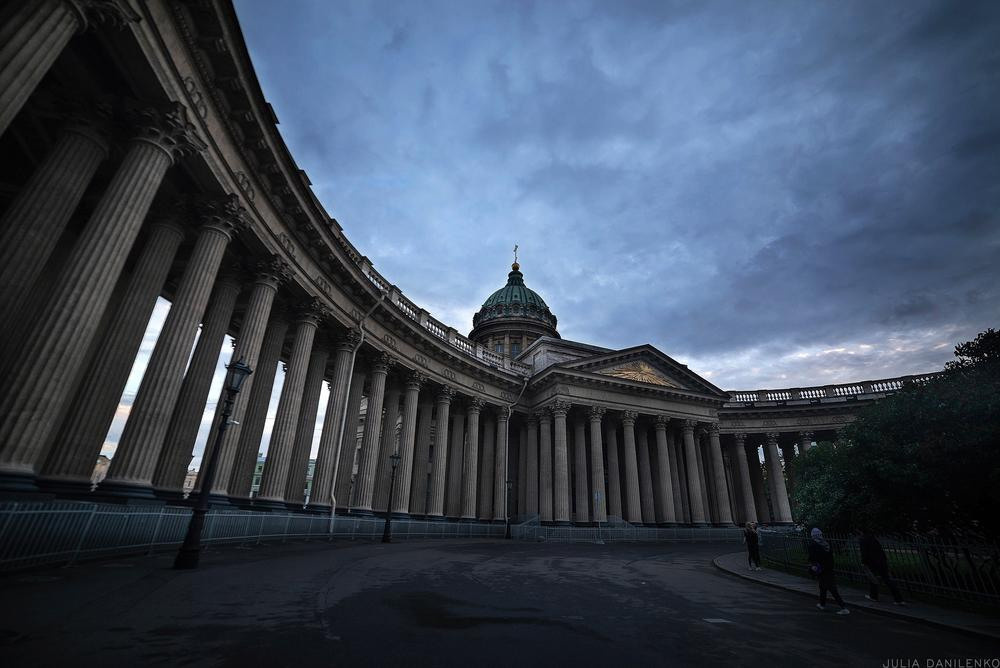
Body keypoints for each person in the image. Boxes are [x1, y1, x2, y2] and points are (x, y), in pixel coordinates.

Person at [808, 528, 850, 615]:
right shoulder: (826, 543)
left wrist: (813, 566)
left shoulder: (813, 545)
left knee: (832, 589)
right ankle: (822, 604)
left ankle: (844, 607)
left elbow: (812, 558)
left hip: (821, 569)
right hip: (829, 568)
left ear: (813, 536)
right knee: (823, 587)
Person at [859, 530, 905, 605]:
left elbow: (864, 552)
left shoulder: (863, 540)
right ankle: (899, 599)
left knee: (872, 578)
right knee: (887, 579)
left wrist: (863, 562)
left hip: (872, 562)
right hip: (881, 561)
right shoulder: (873, 539)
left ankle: (874, 596)